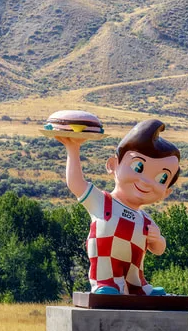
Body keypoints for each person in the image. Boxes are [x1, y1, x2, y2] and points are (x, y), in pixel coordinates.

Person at [56, 118, 180, 295]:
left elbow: (159, 250)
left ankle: (139, 288)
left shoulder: (144, 218)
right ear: (113, 165)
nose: (146, 181)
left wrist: (157, 238)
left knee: (136, 275)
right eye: (138, 167)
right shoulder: (103, 202)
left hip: (135, 275)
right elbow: (76, 184)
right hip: (105, 271)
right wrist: (73, 149)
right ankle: (104, 285)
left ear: (166, 192)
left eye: (161, 179)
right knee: (106, 274)